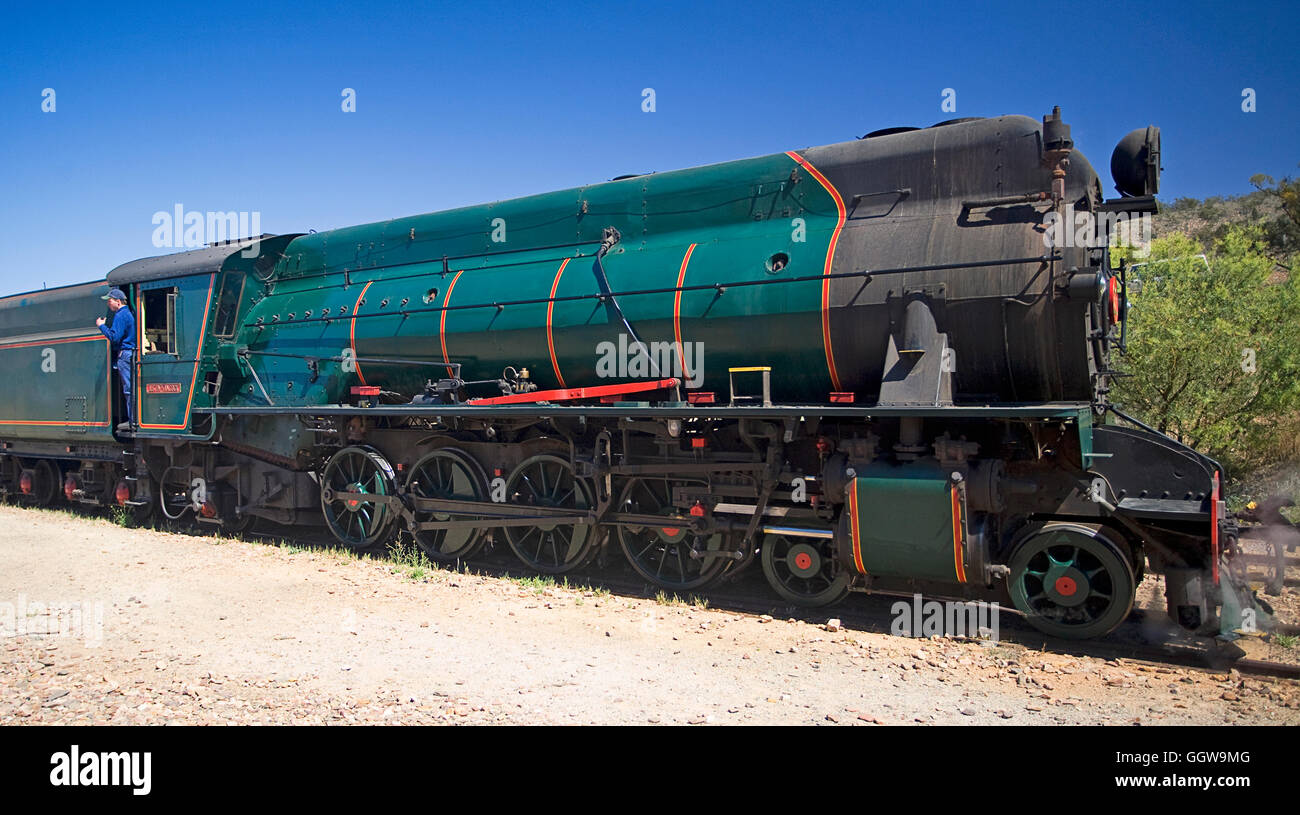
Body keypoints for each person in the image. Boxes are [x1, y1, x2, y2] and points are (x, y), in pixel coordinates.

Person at [96, 288, 136, 427]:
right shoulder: (129, 314)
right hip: (129, 353)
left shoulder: (121, 315)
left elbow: (114, 337)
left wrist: (102, 326)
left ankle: (132, 420)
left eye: (110, 301)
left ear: (118, 302)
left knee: (128, 389)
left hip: (125, 354)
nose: (108, 304)